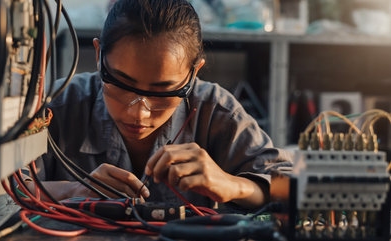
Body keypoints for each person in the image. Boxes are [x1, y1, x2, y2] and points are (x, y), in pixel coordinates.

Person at [30, 0, 292, 210]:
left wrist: (233, 185)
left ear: (194, 72)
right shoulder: (56, 107)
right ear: (99, 56)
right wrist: (72, 190)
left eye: (164, 91)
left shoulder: (216, 111)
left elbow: (292, 188)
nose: (139, 112)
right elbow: (0, 191)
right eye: (121, 84)